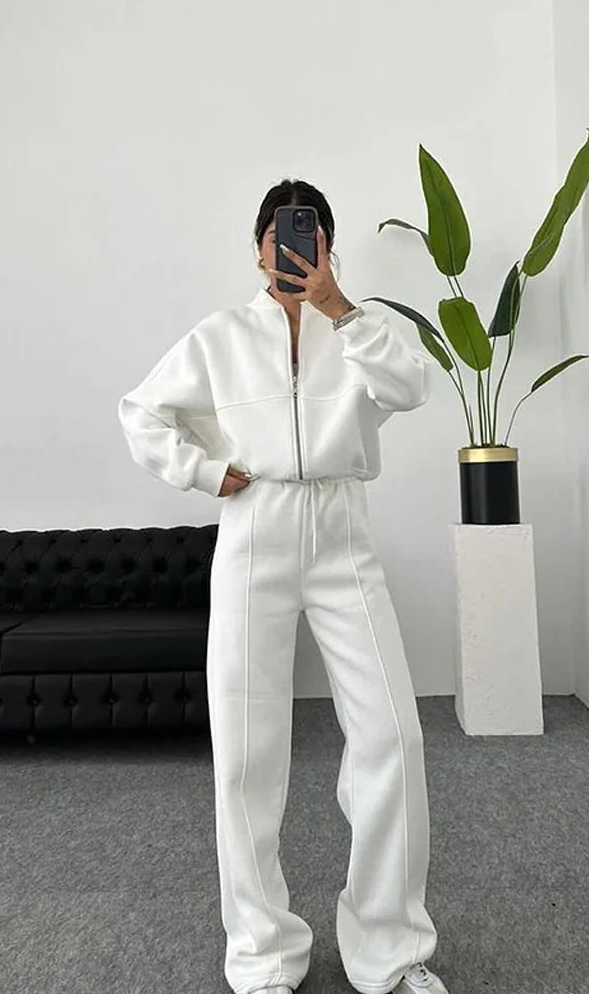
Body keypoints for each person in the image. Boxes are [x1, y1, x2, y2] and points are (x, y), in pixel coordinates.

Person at [117, 179, 449, 994]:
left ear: (328, 246)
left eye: (308, 234)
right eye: (278, 234)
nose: (291, 247)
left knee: (392, 739)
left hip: (341, 529)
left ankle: (390, 950)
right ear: (258, 246)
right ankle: (263, 954)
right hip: (255, 528)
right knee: (245, 752)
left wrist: (340, 308)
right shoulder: (220, 335)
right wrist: (203, 471)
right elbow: (141, 413)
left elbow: (412, 388)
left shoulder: (360, 328)